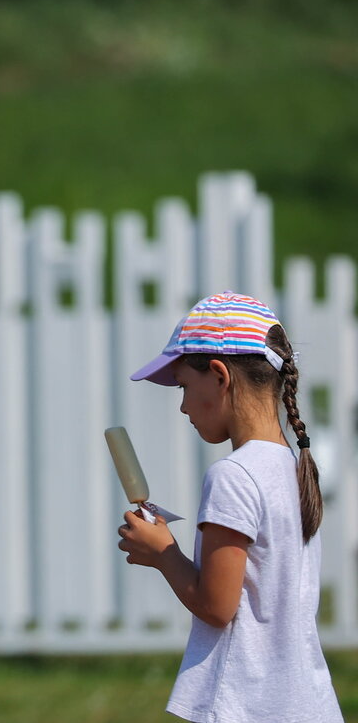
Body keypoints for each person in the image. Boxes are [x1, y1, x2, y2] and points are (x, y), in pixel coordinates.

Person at [118, 291, 343, 722]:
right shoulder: (293, 466)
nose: (183, 406)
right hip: (306, 702)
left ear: (220, 376)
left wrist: (161, 553)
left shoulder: (233, 476)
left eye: (184, 386)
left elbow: (217, 607)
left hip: (249, 703)